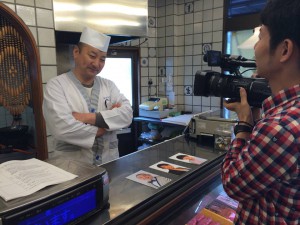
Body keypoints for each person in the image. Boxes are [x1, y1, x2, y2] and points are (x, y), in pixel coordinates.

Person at [221, 0, 300, 224]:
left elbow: (232, 183)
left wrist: (244, 123)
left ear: (285, 49)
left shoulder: (281, 127)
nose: (255, 47)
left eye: (261, 36)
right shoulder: (287, 115)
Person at [43, 27, 133, 165]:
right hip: (72, 169)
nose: (97, 63)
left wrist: (86, 118)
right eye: (92, 56)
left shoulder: (109, 86)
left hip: (109, 164)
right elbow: (62, 127)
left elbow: (127, 114)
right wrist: (105, 126)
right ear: (76, 52)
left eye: (102, 59)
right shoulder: (56, 86)